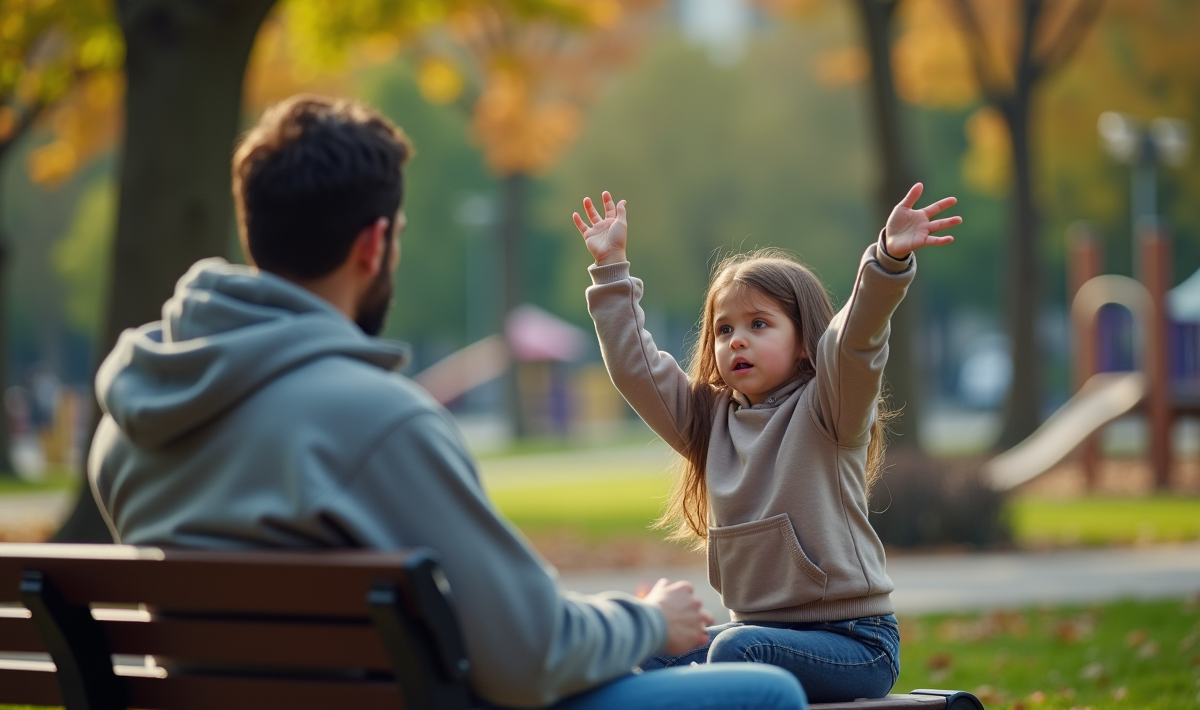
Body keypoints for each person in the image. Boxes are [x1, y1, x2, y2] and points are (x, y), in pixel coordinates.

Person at [88, 95, 806, 710]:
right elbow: (528, 654)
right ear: (374, 244)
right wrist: (647, 621)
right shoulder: (375, 420)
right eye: (397, 238)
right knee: (767, 694)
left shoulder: (130, 422)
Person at [572, 185, 962, 703]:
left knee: (738, 652)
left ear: (804, 341)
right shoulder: (708, 422)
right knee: (647, 649)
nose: (737, 340)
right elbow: (636, 371)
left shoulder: (830, 407)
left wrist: (887, 261)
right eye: (724, 328)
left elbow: (855, 342)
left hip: (854, 644)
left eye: (759, 324)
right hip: (754, 636)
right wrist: (612, 269)